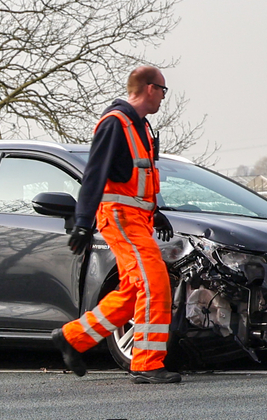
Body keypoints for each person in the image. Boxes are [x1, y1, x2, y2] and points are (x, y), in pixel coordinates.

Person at [53, 66, 182, 385]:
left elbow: (137, 180)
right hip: (121, 220)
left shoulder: (140, 127)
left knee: (132, 290)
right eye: (163, 91)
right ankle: (147, 363)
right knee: (155, 285)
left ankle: (72, 337)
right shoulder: (116, 123)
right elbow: (94, 175)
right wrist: (83, 223)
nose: (164, 98)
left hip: (136, 219)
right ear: (149, 88)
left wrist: (157, 211)